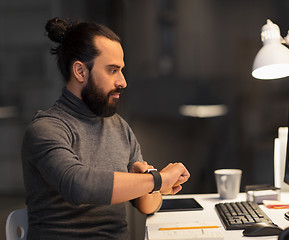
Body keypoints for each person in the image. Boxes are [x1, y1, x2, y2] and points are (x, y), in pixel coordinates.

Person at [21, 17, 190, 240]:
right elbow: (79, 186)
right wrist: (159, 180)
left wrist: (152, 184)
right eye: (112, 70)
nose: (123, 81)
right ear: (81, 72)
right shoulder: (46, 129)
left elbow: (146, 206)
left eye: (121, 70)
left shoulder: (119, 126)